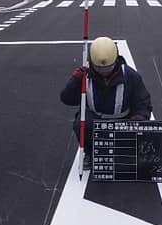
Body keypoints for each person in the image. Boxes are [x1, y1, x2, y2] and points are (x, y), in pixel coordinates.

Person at [60, 36, 152, 169]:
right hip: (96, 120)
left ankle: (128, 152)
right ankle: (90, 153)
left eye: (108, 68)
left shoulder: (131, 76)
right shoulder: (84, 76)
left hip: (124, 120)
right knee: (82, 122)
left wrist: (139, 118)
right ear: (92, 62)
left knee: (142, 128)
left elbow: (143, 101)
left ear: (116, 60)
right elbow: (66, 99)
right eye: (99, 68)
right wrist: (74, 81)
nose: (104, 72)